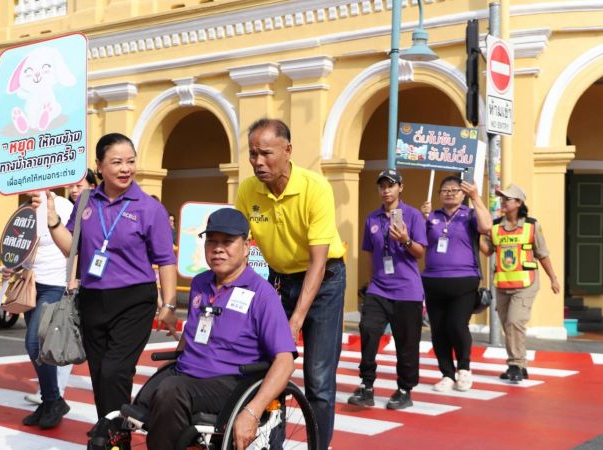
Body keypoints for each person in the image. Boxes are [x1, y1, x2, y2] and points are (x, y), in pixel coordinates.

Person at [41, 132, 178, 419]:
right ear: (99, 166)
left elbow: (166, 260)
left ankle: (112, 436)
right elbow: (72, 248)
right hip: (92, 299)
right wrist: (53, 221)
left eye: (130, 161)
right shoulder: (87, 201)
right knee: (101, 373)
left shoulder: (149, 207)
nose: (125, 168)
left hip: (134, 301)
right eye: (116, 162)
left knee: (115, 370)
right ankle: (110, 432)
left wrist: (169, 305)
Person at [133, 208, 296, 450]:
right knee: (136, 406)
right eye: (212, 241)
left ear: (246, 246)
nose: (218, 249)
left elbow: (285, 360)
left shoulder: (262, 294)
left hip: (231, 381)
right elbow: (195, 331)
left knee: (170, 393)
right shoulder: (201, 282)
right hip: (187, 375)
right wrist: (177, 358)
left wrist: (253, 411)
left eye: (228, 242)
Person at [234, 118, 345, 449]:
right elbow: (238, 247)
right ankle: (274, 444)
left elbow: (319, 261)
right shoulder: (248, 190)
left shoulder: (315, 188)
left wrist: (296, 319)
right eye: (252, 154)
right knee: (271, 370)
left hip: (323, 281)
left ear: (288, 150)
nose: (258, 162)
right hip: (279, 279)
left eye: (265, 153)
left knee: (319, 379)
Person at [347, 169, 427, 410]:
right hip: (379, 290)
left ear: (400, 188)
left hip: (408, 291)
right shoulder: (372, 219)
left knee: (407, 342)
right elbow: (370, 255)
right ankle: (367, 385)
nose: (386, 190)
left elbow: (420, 252)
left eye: (391, 185)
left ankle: (404, 389)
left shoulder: (412, 216)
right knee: (368, 330)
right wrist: (372, 284)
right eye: (382, 185)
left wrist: (405, 239)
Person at [481, 184, 560, 382]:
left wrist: (553, 278)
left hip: (526, 284)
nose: (503, 202)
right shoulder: (496, 226)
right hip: (502, 283)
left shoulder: (532, 225)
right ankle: (520, 365)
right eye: (502, 198)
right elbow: (487, 250)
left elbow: (542, 254)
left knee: (515, 322)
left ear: (519, 203)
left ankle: (515, 364)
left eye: (507, 199)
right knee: (508, 326)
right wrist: (476, 234)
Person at [7, 192, 74, 428]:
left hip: (55, 283)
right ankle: (49, 401)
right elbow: (22, 246)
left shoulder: (62, 206)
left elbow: (73, 243)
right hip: (31, 284)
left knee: (36, 342)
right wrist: (12, 267)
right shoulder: (26, 208)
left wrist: (73, 280)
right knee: (35, 345)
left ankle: (53, 400)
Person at [420, 176, 492, 392]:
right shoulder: (431, 216)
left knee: (457, 324)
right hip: (433, 279)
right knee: (438, 329)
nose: (449, 193)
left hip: (464, 279)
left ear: (462, 194)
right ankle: (446, 373)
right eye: (445, 190)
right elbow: (418, 243)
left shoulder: (469, 215)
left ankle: (464, 368)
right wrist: (421, 218)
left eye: (454, 190)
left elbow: (487, 225)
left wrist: (476, 197)